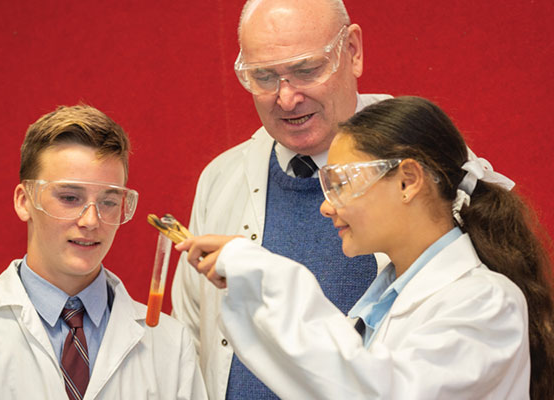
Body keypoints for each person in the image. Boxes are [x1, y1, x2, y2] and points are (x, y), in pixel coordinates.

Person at [177, 97, 554, 399]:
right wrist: (248, 289)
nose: (326, 205)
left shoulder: (486, 302)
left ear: (407, 181)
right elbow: (327, 378)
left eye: (341, 183)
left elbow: (381, 391)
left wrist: (267, 277)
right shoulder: (380, 306)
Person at [171, 0, 390, 397]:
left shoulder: (423, 163)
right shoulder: (221, 179)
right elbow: (188, 337)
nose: (286, 99)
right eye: (264, 77)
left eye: (306, 70)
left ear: (353, 51)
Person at [0, 105, 207, 399]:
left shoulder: (170, 343)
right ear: (24, 201)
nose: (91, 221)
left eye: (109, 202)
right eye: (70, 198)